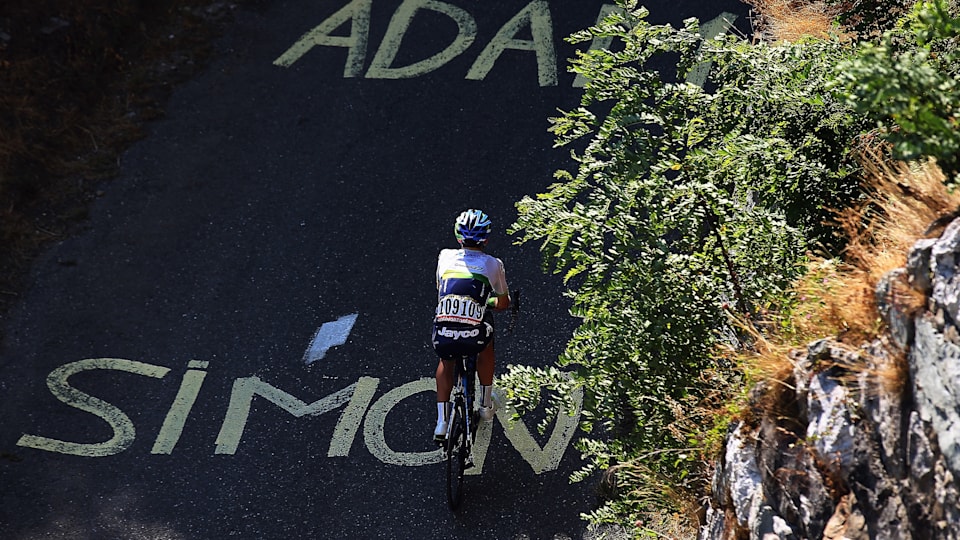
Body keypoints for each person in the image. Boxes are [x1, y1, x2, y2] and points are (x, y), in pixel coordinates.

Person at [432, 209, 511, 442]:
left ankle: (441, 423)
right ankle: (486, 406)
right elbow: (503, 303)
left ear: (458, 236)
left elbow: (441, 290)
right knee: (485, 347)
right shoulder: (493, 264)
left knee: (446, 361)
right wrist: (488, 302)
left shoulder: (444, 256)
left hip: (444, 330)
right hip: (473, 333)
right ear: (485, 239)